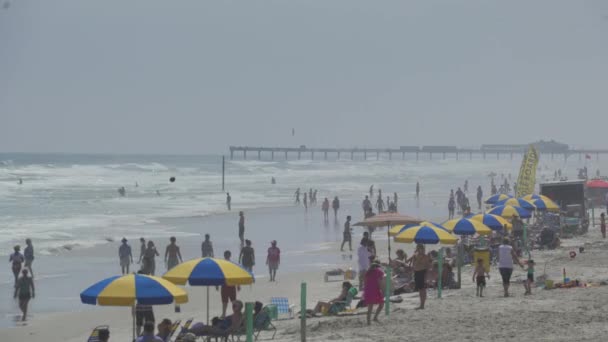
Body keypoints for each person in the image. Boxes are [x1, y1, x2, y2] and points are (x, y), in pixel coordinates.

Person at [408, 244, 431, 309]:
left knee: (422, 289)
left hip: (422, 272)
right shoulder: (415, 255)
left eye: (421, 248)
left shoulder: (426, 256)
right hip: (416, 272)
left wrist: (427, 275)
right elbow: (412, 264)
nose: (420, 250)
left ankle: (422, 305)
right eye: (419, 248)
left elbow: (428, 266)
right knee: (420, 289)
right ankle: (421, 304)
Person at [219, 251, 240, 317]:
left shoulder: (223, 264)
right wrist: (238, 285)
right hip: (228, 284)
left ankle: (225, 313)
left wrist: (216, 284)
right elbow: (236, 275)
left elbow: (219, 274)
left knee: (227, 301)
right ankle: (230, 313)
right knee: (231, 301)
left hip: (227, 284)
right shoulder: (230, 264)